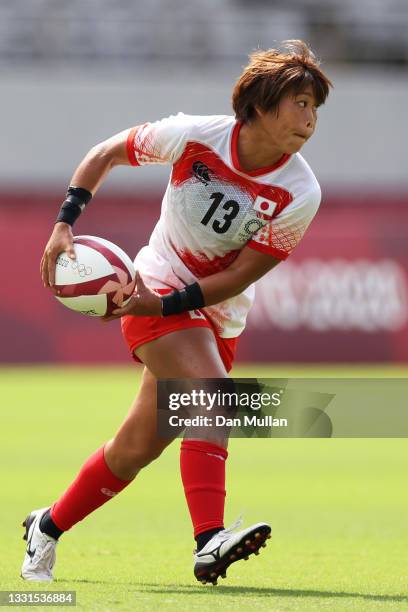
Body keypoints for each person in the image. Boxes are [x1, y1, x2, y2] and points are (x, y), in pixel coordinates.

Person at [21, 40, 332, 585]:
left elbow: (239, 276)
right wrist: (64, 221)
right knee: (213, 396)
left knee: (135, 450)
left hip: (213, 310)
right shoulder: (195, 135)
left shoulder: (300, 190)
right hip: (156, 279)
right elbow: (105, 153)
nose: (309, 118)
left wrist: (163, 305)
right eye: (299, 102)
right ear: (260, 103)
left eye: (315, 108)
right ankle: (210, 540)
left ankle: (45, 527)